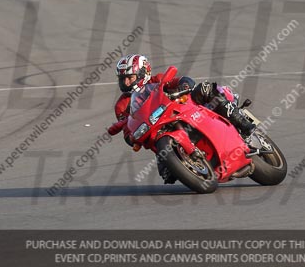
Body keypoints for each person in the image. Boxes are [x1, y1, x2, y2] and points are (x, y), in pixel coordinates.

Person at [108, 54, 255, 183]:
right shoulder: (121, 105)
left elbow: (182, 80)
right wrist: (130, 137)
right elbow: (127, 127)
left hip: (183, 109)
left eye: (129, 78)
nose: (126, 83)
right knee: (167, 174)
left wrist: (183, 86)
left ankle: (241, 122)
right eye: (123, 79)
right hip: (158, 129)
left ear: (143, 73)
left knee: (204, 89)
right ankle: (189, 165)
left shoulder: (158, 80)